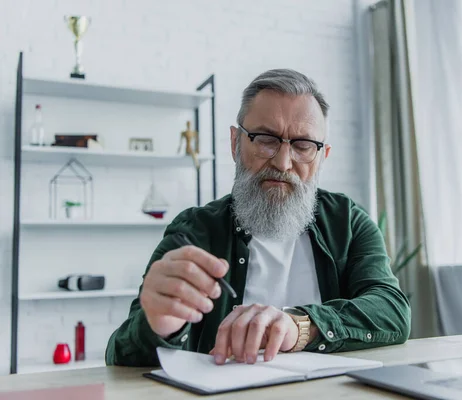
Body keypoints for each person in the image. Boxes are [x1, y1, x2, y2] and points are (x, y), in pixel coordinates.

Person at [105, 69, 411, 367]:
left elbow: (392, 310)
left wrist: (299, 327)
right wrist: (160, 327)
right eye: (266, 139)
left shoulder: (347, 222)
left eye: (303, 145)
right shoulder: (195, 230)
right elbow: (120, 355)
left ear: (321, 157)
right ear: (235, 143)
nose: (282, 162)